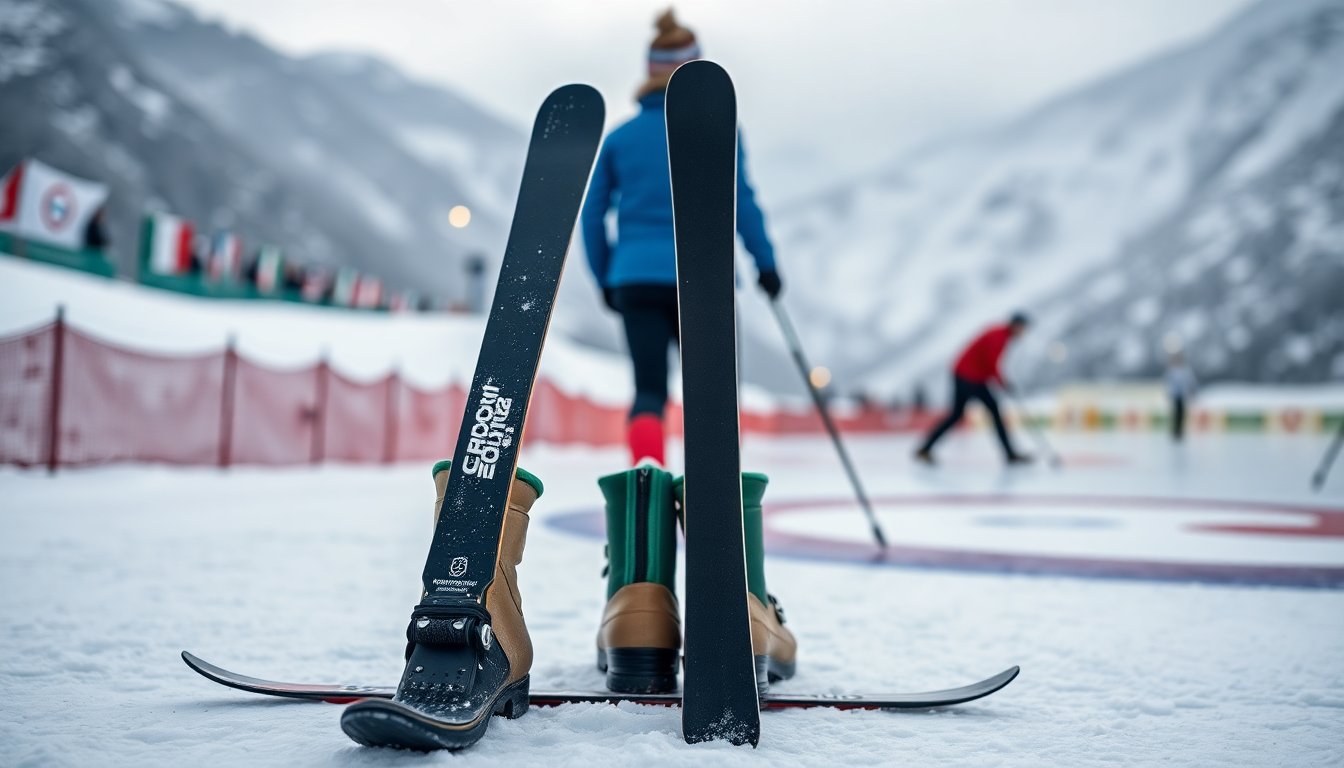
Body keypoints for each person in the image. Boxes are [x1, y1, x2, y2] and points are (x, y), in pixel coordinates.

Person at [580, 8, 794, 697]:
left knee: (649, 390)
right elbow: (741, 201)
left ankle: (645, 493)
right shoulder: (717, 129)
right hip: (701, 273)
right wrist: (764, 262)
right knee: (711, 400)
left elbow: (592, 214)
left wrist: (608, 273)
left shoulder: (621, 137)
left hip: (635, 275)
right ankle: (715, 505)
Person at [914, 312, 1033, 466]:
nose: (1023, 331)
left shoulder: (999, 334)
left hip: (966, 374)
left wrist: (1001, 382)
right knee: (993, 411)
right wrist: (1004, 383)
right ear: (1016, 325)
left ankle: (925, 449)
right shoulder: (999, 337)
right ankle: (1010, 454)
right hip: (970, 376)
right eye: (1023, 327)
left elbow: (988, 362)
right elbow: (991, 363)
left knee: (957, 414)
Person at [1166, 351, 1197, 441]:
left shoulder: (1185, 370)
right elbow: (1168, 383)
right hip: (1175, 395)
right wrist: (1169, 392)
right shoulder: (1171, 370)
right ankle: (1175, 431)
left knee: (1182, 413)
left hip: (1183, 395)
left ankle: (1180, 431)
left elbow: (1190, 381)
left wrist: (1192, 391)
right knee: (1175, 413)